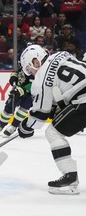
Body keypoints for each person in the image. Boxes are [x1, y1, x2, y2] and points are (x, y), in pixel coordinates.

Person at [18, 44, 86, 195]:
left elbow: (40, 115)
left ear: (36, 62)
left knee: (53, 133)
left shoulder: (40, 78)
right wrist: (55, 107)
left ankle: (70, 178)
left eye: (29, 69)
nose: (31, 74)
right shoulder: (61, 54)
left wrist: (25, 127)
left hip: (84, 100)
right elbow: (65, 84)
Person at [0, 63, 34, 137]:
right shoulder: (25, 64)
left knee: (23, 109)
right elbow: (16, 72)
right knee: (9, 105)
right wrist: (13, 77)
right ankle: (0, 125)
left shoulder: (39, 70)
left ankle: (14, 126)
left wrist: (24, 89)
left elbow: (36, 84)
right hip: (18, 89)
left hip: (31, 93)